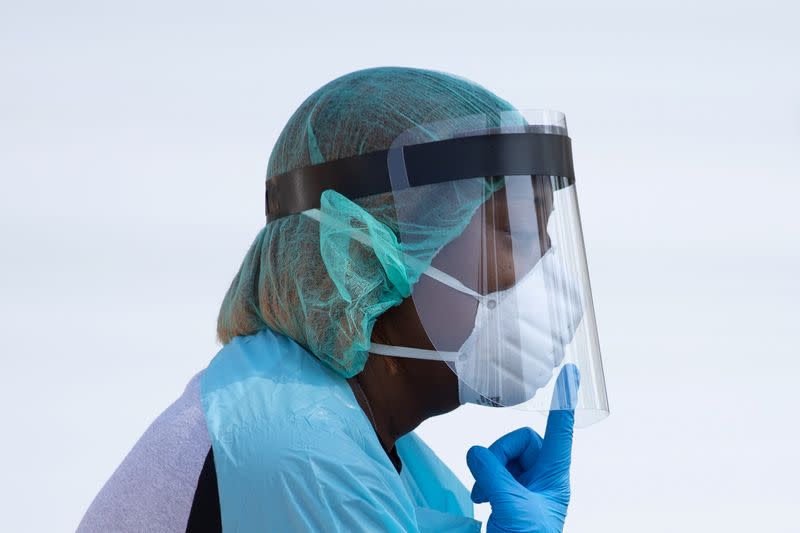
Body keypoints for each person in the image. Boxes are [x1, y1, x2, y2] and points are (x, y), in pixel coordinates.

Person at [78, 66, 606, 532]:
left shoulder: (402, 473)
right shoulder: (297, 455)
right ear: (369, 248)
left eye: (548, 235)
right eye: (515, 229)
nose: (548, 275)